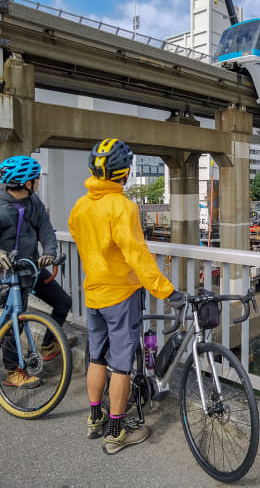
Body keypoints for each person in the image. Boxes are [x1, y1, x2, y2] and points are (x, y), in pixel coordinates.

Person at [68, 138, 184, 455]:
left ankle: (95, 418)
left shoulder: (80, 206)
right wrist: (168, 292)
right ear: (124, 173)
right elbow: (138, 256)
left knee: (97, 356)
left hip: (93, 291)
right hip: (121, 295)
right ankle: (117, 431)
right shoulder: (122, 207)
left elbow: (80, 239)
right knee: (120, 365)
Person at [0, 155, 75, 389]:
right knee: (13, 323)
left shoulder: (32, 201)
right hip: (9, 274)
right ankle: (13, 372)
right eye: (35, 179)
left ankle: (48, 345)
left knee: (63, 303)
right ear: (26, 183)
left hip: (32, 267)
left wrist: (49, 251)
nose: (37, 181)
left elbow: (46, 229)